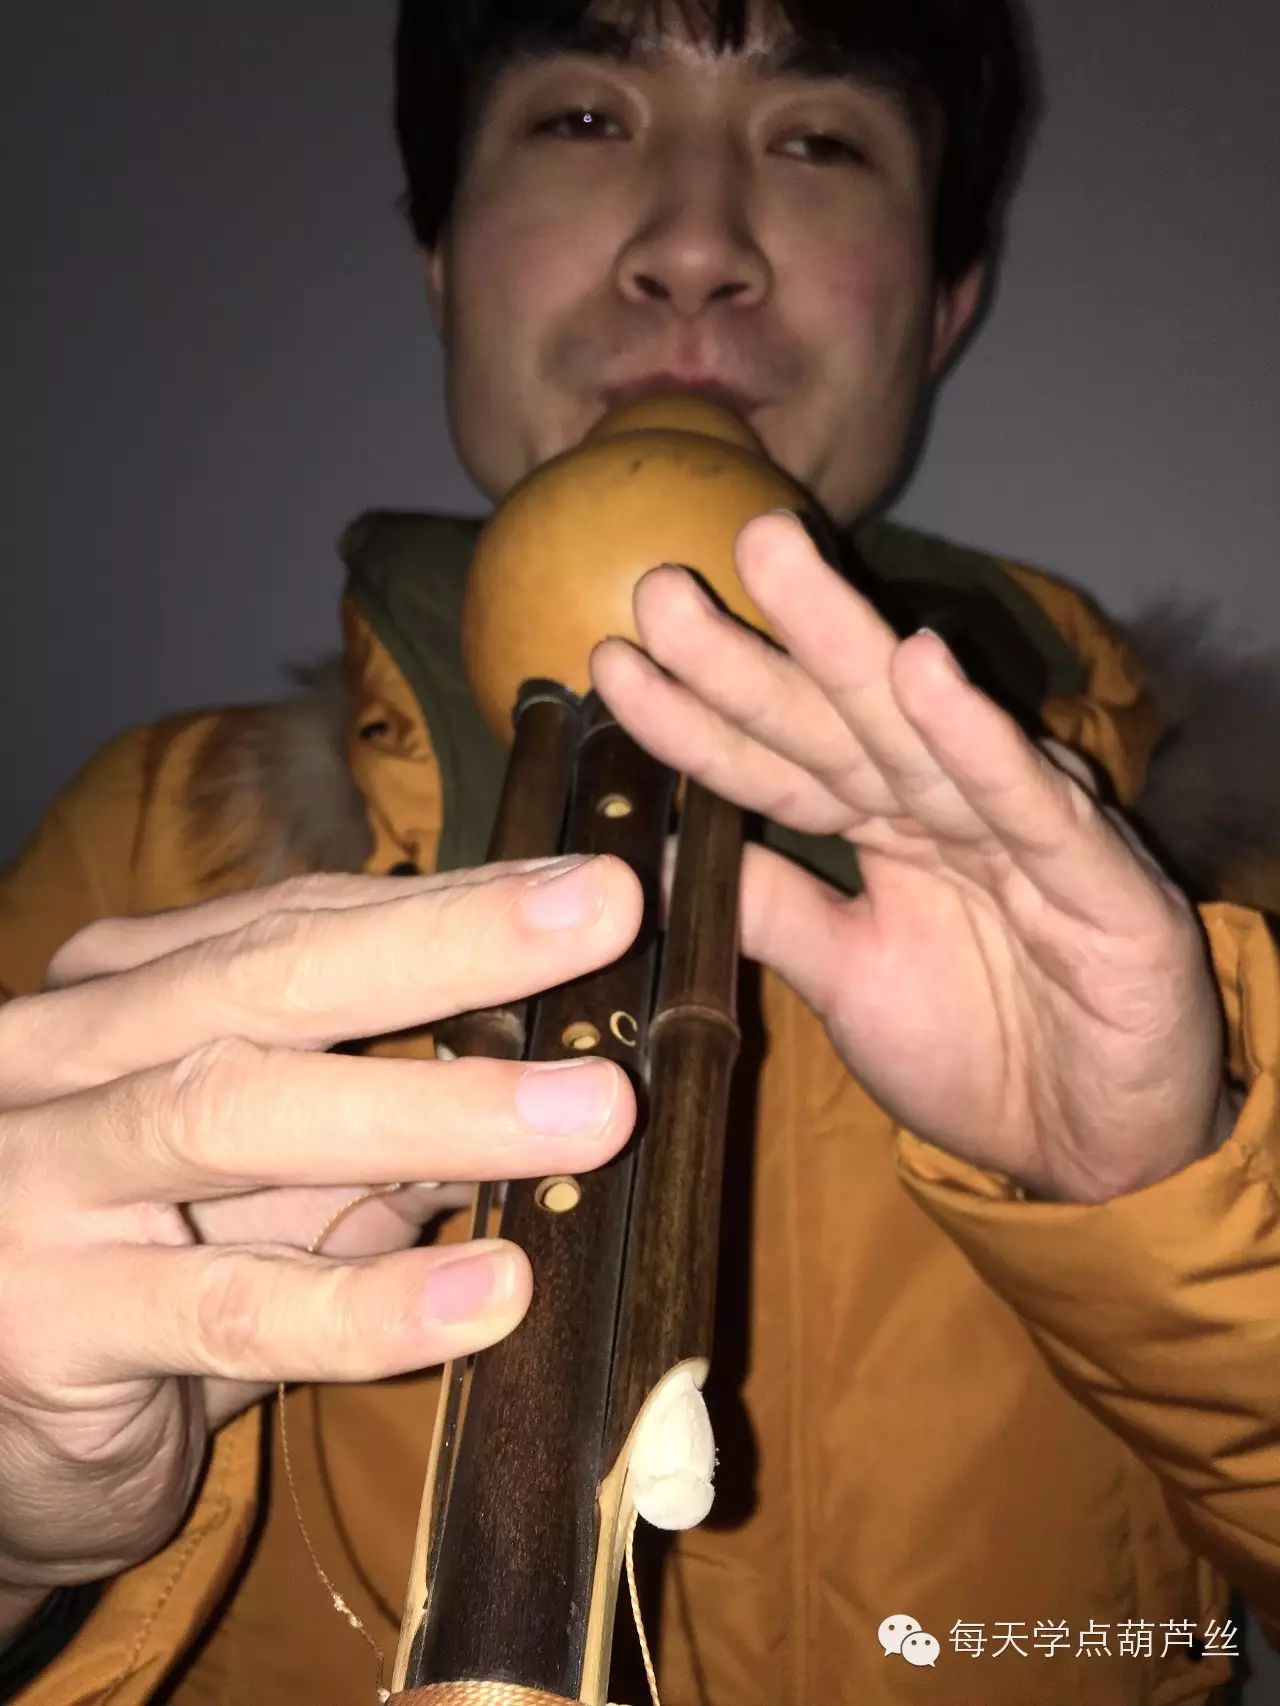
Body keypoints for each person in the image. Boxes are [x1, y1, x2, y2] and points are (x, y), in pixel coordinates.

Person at [1, 2, 1277, 1702]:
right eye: (585, 119)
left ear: (945, 301)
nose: (695, 244)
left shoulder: (1229, 893)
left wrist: (1176, 1208)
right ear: (443, 258)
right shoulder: (140, 847)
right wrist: (20, 1533)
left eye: (819, 140)